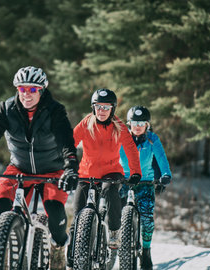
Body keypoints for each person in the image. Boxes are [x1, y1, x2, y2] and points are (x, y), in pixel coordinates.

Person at [0, 66, 79, 268]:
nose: (27, 94)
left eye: (33, 89)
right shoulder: (7, 109)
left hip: (52, 170)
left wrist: (70, 167)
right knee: (1, 208)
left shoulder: (54, 110)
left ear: (41, 90)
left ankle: (58, 248)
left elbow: (66, 141)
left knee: (55, 213)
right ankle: (1, 255)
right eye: (22, 89)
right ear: (17, 89)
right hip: (19, 169)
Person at [66, 88, 142, 269]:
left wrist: (135, 172)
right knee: (78, 213)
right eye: (98, 107)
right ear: (93, 108)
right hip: (87, 173)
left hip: (111, 172)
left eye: (106, 107)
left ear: (112, 109)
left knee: (109, 190)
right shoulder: (86, 123)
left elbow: (131, 148)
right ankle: (73, 250)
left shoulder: (119, 126)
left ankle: (114, 230)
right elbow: (70, 143)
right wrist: (64, 165)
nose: (102, 111)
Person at [119, 106, 172, 270]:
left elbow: (161, 157)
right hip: (124, 181)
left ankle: (146, 250)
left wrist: (165, 174)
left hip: (146, 182)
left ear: (147, 124)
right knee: (116, 215)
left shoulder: (152, 139)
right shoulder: (121, 138)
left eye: (142, 123)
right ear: (129, 123)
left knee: (147, 220)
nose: (138, 126)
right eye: (134, 122)